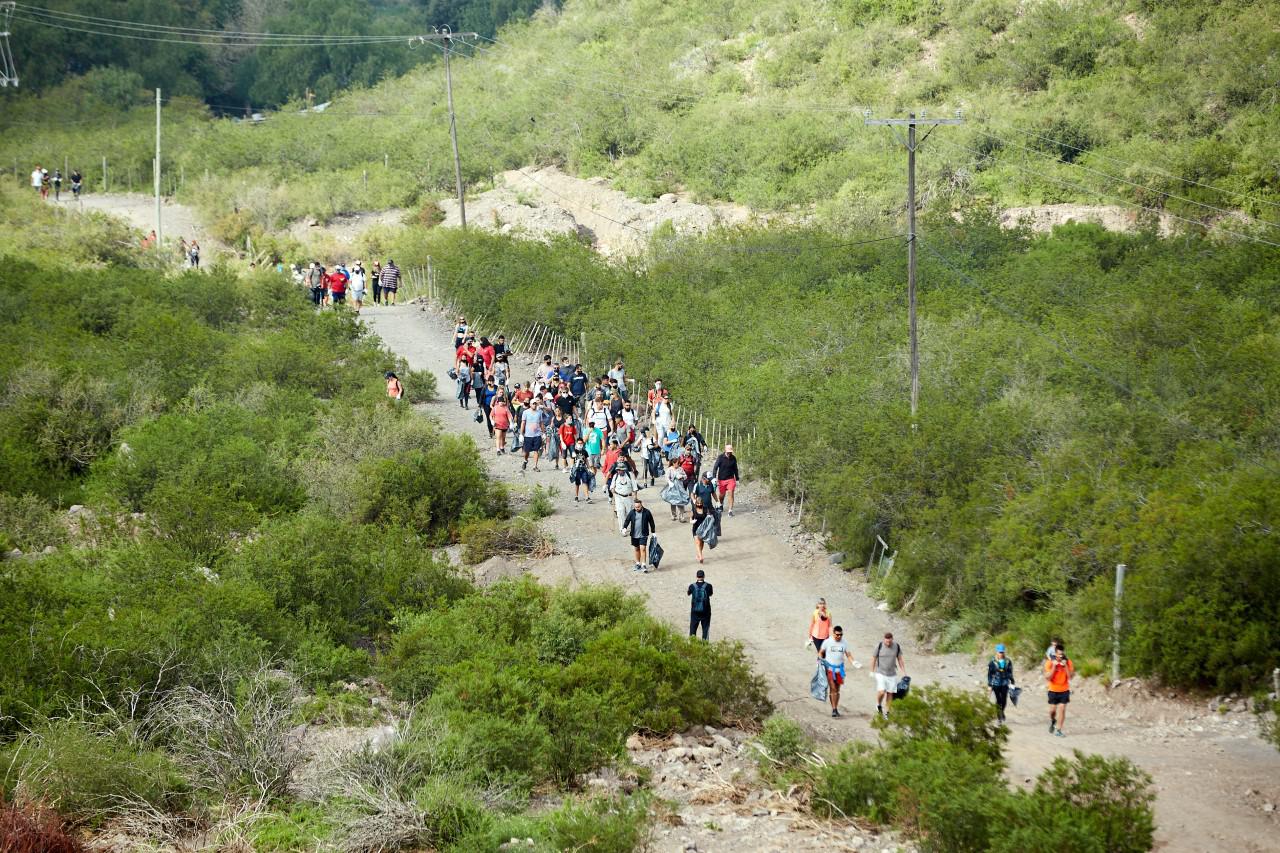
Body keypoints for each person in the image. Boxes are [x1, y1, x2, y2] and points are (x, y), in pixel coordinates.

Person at [820, 625, 854, 718]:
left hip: (840, 669)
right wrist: (820, 660)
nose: (839, 636)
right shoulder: (827, 642)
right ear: (833, 633)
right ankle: (834, 709)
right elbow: (821, 652)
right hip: (830, 669)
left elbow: (848, 654)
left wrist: (853, 662)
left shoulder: (844, 643)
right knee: (833, 688)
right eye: (837, 635)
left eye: (841, 635)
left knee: (837, 690)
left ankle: (835, 708)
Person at [870, 631, 905, 720]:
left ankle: (887, 713)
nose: (888, 643)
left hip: (892, 674)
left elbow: (900, 659)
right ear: (884, 640)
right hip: (880, 672)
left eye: (889, 641)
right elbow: (874, 658)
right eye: (886, 641)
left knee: (890, 693)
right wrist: (871, 670)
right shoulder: (880, 646)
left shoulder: (896, 646)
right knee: (882, 691)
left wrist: (903, 672)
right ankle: (878, 704)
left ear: (892, 639)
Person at [1044, 643, 1074, 737]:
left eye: (1062, 654)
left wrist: (1065, 666)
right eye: (1059, 655)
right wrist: (1054, 666)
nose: (1060, 656)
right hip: (1053, 689)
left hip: (1064, 689)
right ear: (1055, 654)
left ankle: (1058, 730)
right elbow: (1048, 677)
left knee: (1062, 708)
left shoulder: (1068, 662)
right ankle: (1053, 720)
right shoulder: (1049, 662)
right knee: (1052, 710)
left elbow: (1070, 677)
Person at [621, 496, 656, 573]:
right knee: (636, 549)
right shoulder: (632, 512)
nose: (637, 508)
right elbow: (627, 520)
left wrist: (653, 532)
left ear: (641, 505)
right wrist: (624, 528)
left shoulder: (647, 512)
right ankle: (637, 564)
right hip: (634, 534)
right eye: (635, 507)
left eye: (638, 507)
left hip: (643, 534)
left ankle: (643, 565)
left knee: (643, 549)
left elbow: (651, 522)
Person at [608, 452, 639, 533]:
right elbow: (611, 487)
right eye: (618, 470)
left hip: (628, 497)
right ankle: (622, 529)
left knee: (629, 513)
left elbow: (635, 486)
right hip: (619, 497)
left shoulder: (630, 475)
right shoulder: (615, 476)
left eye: (621, 470)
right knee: (620, 512)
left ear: (624, 470)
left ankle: (629, 527)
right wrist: (612, 491)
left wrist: (635, 496)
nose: (620, 471)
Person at [988, 643, 1016, 724]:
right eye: (1000, 652)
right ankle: (999, 718)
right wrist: (989, 685)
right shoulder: (992, 662)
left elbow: (1010, 672)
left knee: (1004, 700)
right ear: (996, 652)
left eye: (1002, 652)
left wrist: (1012, 682)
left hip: (1005, 683)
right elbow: (990, 674)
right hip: (996, 683)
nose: (1001, 653)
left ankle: (1002, 712)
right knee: (998, 700)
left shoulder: (1008, 661)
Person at [712, 444, 740, 517]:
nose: (729, 453)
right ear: (725, 451)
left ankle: (730, 510)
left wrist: (737, 478)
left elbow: (735, 469)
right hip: (721, 479)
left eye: (730, 452)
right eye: (728, 451)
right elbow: (715, 467)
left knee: (731, 493)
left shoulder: (733, 458)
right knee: (722, 495)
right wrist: (714, 478)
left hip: (731, 479)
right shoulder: (720, 457)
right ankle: (721, 504)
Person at [520, 398, 544, 471]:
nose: (534, 405)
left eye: (535, 403)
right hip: (528, 435)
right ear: (530, 405)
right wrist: (521, 434)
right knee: (527, 451)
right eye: (533, 404)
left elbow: (541, 423)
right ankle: (525, 460)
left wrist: (543, 432)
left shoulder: (539, 412)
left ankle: (535, 466)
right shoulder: (526, 412)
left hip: (537, 434)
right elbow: (523, 423)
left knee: (536, 450)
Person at [688, 569, 712, 640]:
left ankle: (692, 645)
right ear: (704, 576)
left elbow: (688, 593)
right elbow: (710, 594)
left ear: (696, 576)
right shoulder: (709, 586)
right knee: (705, 630)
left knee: (693, 629)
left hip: (695, 612)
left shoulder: (692, 586)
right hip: (706, 612)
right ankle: (705, 646)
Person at [664, 456, 689, 522]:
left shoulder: (680, 469)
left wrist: (682, 477)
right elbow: (666, 477)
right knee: (673, 501)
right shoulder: (669, 469)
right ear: (673, 463)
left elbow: (685, 476)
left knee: (681, 501)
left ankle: (681, 517)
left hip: (680, 488)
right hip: (673, 488)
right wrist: (670, 482)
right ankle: (673, 515)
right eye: (677, 463)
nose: (678, 464)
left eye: (679, 463)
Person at [690, 495, 711, 564]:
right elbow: (691, 518)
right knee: (697, 542)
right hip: (695, 528)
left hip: (703, 529)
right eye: (698, 503)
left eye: (700, 503)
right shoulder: (693, 509)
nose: (699, 504)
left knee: (701, 543)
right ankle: (701, 557)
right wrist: (692, 521)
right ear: (696, 503)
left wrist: (709, 516)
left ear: (702, 503)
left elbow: (708, 516)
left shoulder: (705, 509)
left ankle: (699, 554)